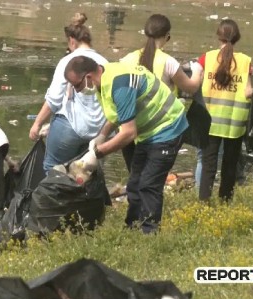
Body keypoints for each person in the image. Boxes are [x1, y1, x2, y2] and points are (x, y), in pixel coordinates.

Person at [64, 55, 188, 234]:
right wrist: (102, 135)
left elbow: (129, 133)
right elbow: (117, 114)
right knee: (135, 182)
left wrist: (96, 153)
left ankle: (149, 234)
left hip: (168, 127)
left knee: (148, 184)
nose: (76, 90)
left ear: (88, 77)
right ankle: (131, 227)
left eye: (77, 85)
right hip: (149, 132)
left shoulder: (120, 84)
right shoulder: (105, 79)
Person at [119, 13, 202, 174]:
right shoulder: (167, 61)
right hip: (158, 130)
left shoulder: (127, 59)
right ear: (167, 36)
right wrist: (197, 71)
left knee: (135, 176)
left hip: (131, 126)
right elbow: (191, 87)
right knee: (151, 180)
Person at [28, 12, 108, 173]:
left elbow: (54, 99)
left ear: (72, 40)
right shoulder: (104, 62)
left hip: (69, 129)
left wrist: (37, 124)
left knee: (54, 171)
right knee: (86, 176)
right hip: (99, 132)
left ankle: (54, 198)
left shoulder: (68, 61)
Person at [196, 19, 253, 202]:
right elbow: (249, 91)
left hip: (210, 120)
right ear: (237, 38)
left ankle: (203, 203)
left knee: (208, 164)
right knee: (229, 165)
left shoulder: (207, 57)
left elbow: (195, 82)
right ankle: (225, 201)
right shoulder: (245, 61)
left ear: (218, 36)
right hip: (233, 122)